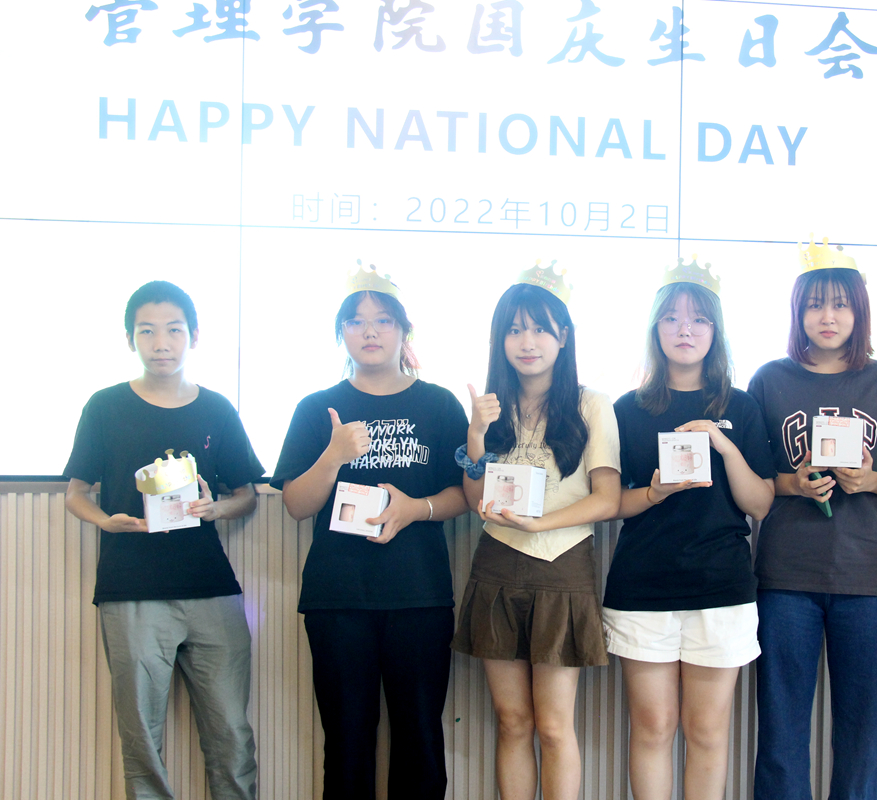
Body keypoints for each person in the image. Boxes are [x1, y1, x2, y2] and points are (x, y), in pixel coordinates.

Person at [272, 264, 468, 799]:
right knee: (347, 744)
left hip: (419, 598)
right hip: (339, 599)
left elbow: (465, 496)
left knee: (420, 743)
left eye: (383, 320)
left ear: (404, 330)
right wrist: (333, 456)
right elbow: (295, 505)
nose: (370, 331)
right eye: (356, 322)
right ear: (342, 333)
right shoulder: (316, 408)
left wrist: (416, 509)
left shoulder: (438, 404)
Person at [64, 280, 262, 800]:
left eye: (173, 330)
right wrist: (105, 521)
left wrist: (216, 508)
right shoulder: (105, 406)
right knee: (141, 739)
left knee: (231, 732)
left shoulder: (217, 409)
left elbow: (246, 495)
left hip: (210, 588)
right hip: (130, 588)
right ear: (130, 338)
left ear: (193, 336)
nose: (161, 343)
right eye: (147, 331)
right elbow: (76, 494)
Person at [604, 260, 775, 800]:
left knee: (706, 730)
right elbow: (610, 504)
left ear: (715, 330)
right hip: (643, 587)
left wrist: (724, 446)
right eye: (672, 318)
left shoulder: (740, 406)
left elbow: (761, 503)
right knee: (653, 727)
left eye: (699, 319)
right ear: (655, 328)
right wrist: (654, 492)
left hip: (721, 586)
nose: (685, 329)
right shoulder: (627, 409)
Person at [748, 240, 877, 800]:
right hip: (786, 575)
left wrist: (870, 480)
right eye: (815, 304)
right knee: (781, 729)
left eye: (841, 304)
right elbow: (753, 479)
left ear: (859, 311)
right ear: (798, 312)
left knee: (863, 732)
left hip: (867, 576)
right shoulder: (769, 379)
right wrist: (793, 484)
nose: (828, 316)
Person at [451, 264, 621, 800]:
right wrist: (476, 432)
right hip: (497, 563)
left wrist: (541, 522)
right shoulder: (490, 407)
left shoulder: (591, 404)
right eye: (515, 330)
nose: (527, 342)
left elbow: (608, 498)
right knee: (512, 721)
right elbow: (474, 500)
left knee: (553, 725)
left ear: (563, 336)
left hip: (563, 566)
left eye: (541, 329)